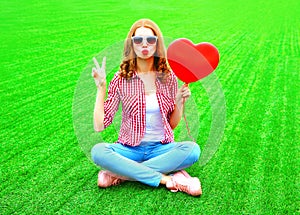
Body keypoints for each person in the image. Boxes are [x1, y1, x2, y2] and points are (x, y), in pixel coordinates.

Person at [91, 18, 202, 196]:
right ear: (132, 44)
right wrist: (101, 88)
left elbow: (171, 124)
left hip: (161, 148)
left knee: (192, 150)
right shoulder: (120, 79)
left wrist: (180, 102)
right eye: (138, 40)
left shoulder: (169, 78)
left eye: (150, 40)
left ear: (157, 44)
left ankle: (119, 174)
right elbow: (99, 125)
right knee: (98, 152)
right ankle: (170, 178)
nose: (144, 44)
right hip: (129, 149)